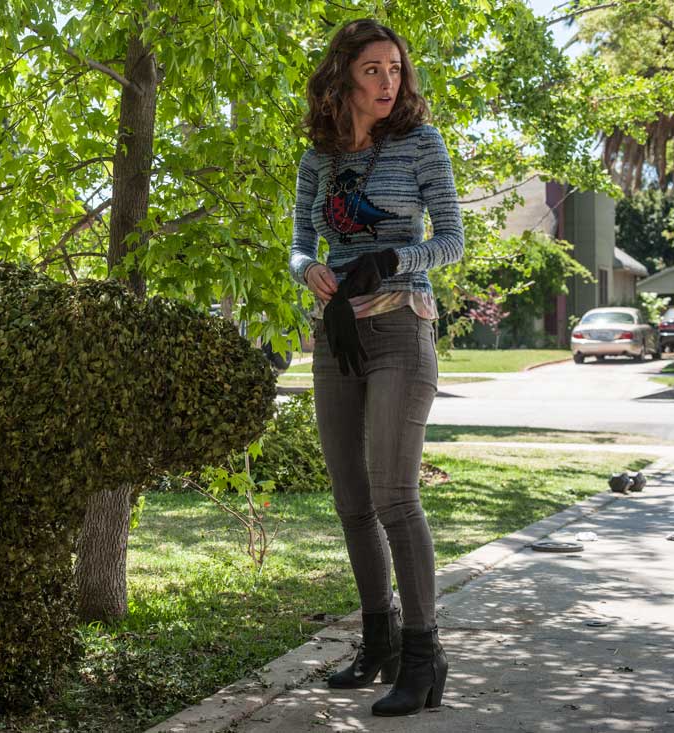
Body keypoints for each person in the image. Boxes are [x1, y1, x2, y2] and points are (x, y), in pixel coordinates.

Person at [289, 19, 464, 717]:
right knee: (352, 501)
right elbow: (300, 241)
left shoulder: (422, 144)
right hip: (336, 336)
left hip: (401, 328)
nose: (388, 82)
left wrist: (393, 258)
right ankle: (378, 639)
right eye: (373, 70)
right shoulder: (320, 158)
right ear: (344, 77)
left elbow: (451, 240)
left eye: (395, 69)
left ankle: (424, 655)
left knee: (395, 495)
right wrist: (311, 274)